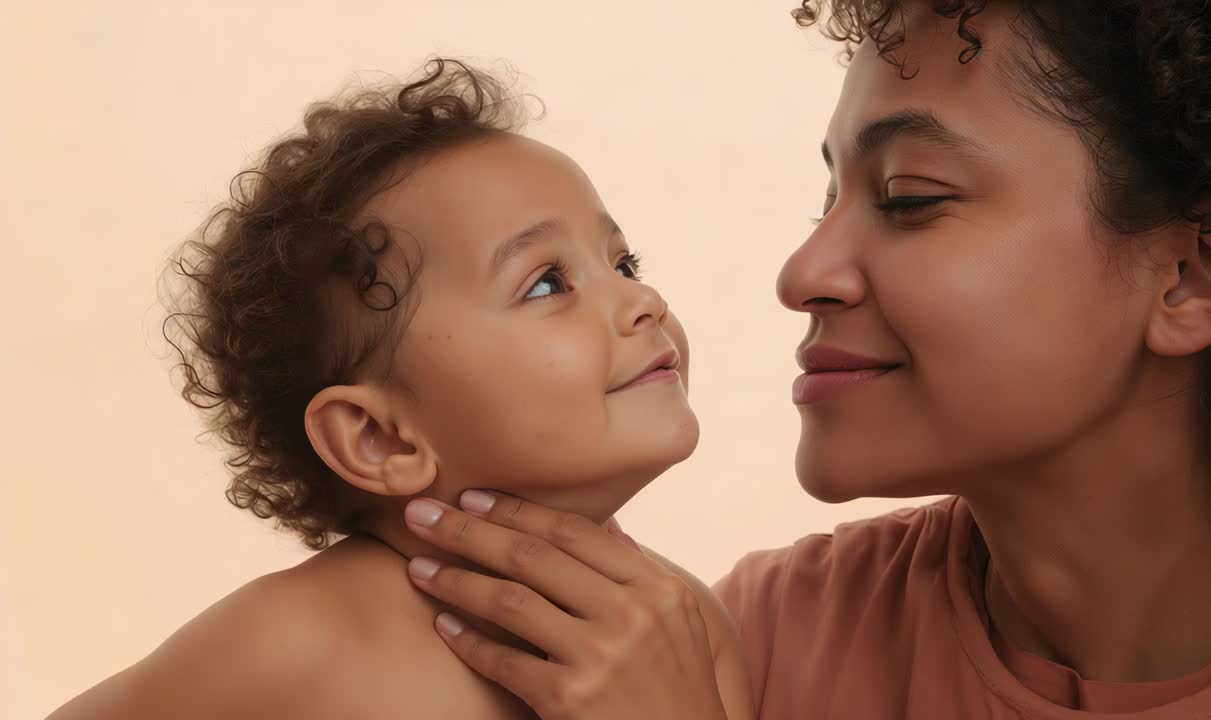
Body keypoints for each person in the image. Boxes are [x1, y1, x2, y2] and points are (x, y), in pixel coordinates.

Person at [398, 2, 1211, 718]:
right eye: (827, 200)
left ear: (1192, 275)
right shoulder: (726, 652)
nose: (801, 274)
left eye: (909, 197)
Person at [46, 58, 751, 720]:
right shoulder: (297, 641)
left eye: (624, 264)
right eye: (547, 284)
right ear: (379, 438)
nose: (645, 300)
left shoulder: (689, 631)